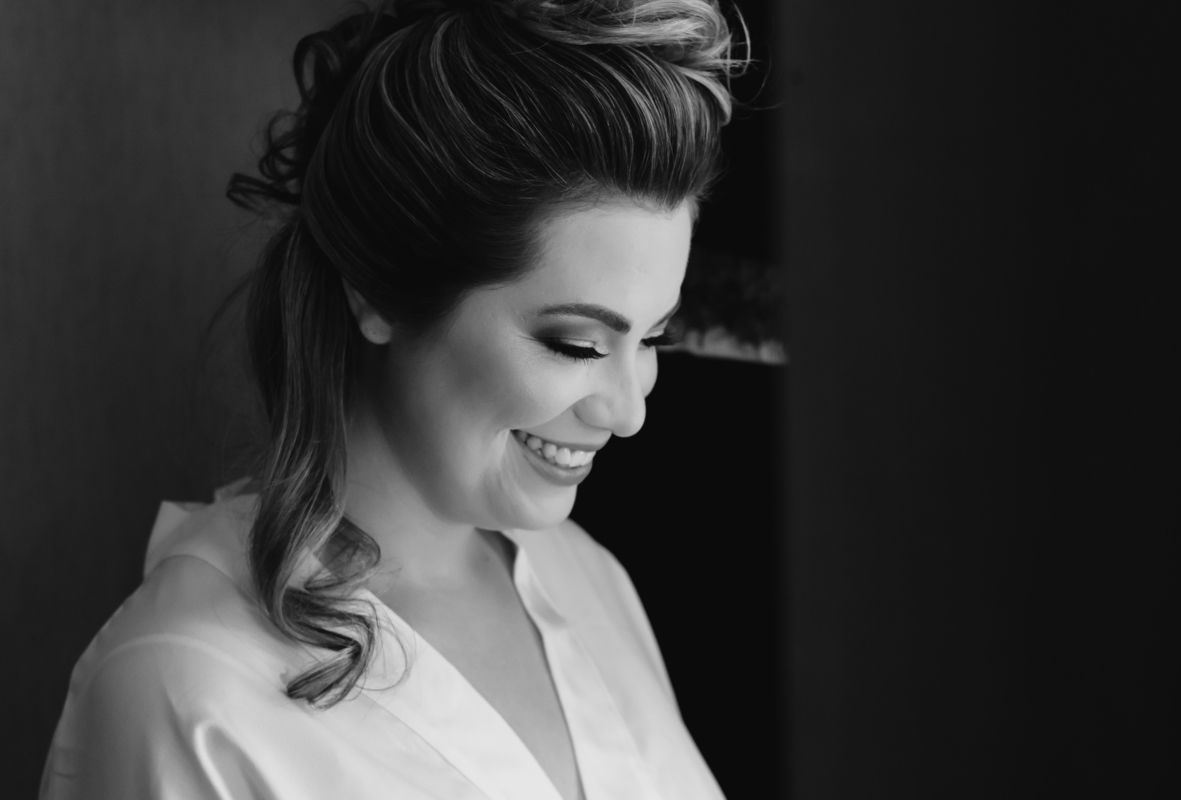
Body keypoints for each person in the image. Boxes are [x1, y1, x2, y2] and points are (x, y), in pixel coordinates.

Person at [40, 1, 748, 797]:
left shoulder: (585, 578)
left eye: (653, 337)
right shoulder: (185, 692)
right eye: (576, 345)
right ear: (377, 292)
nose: (628, 412)